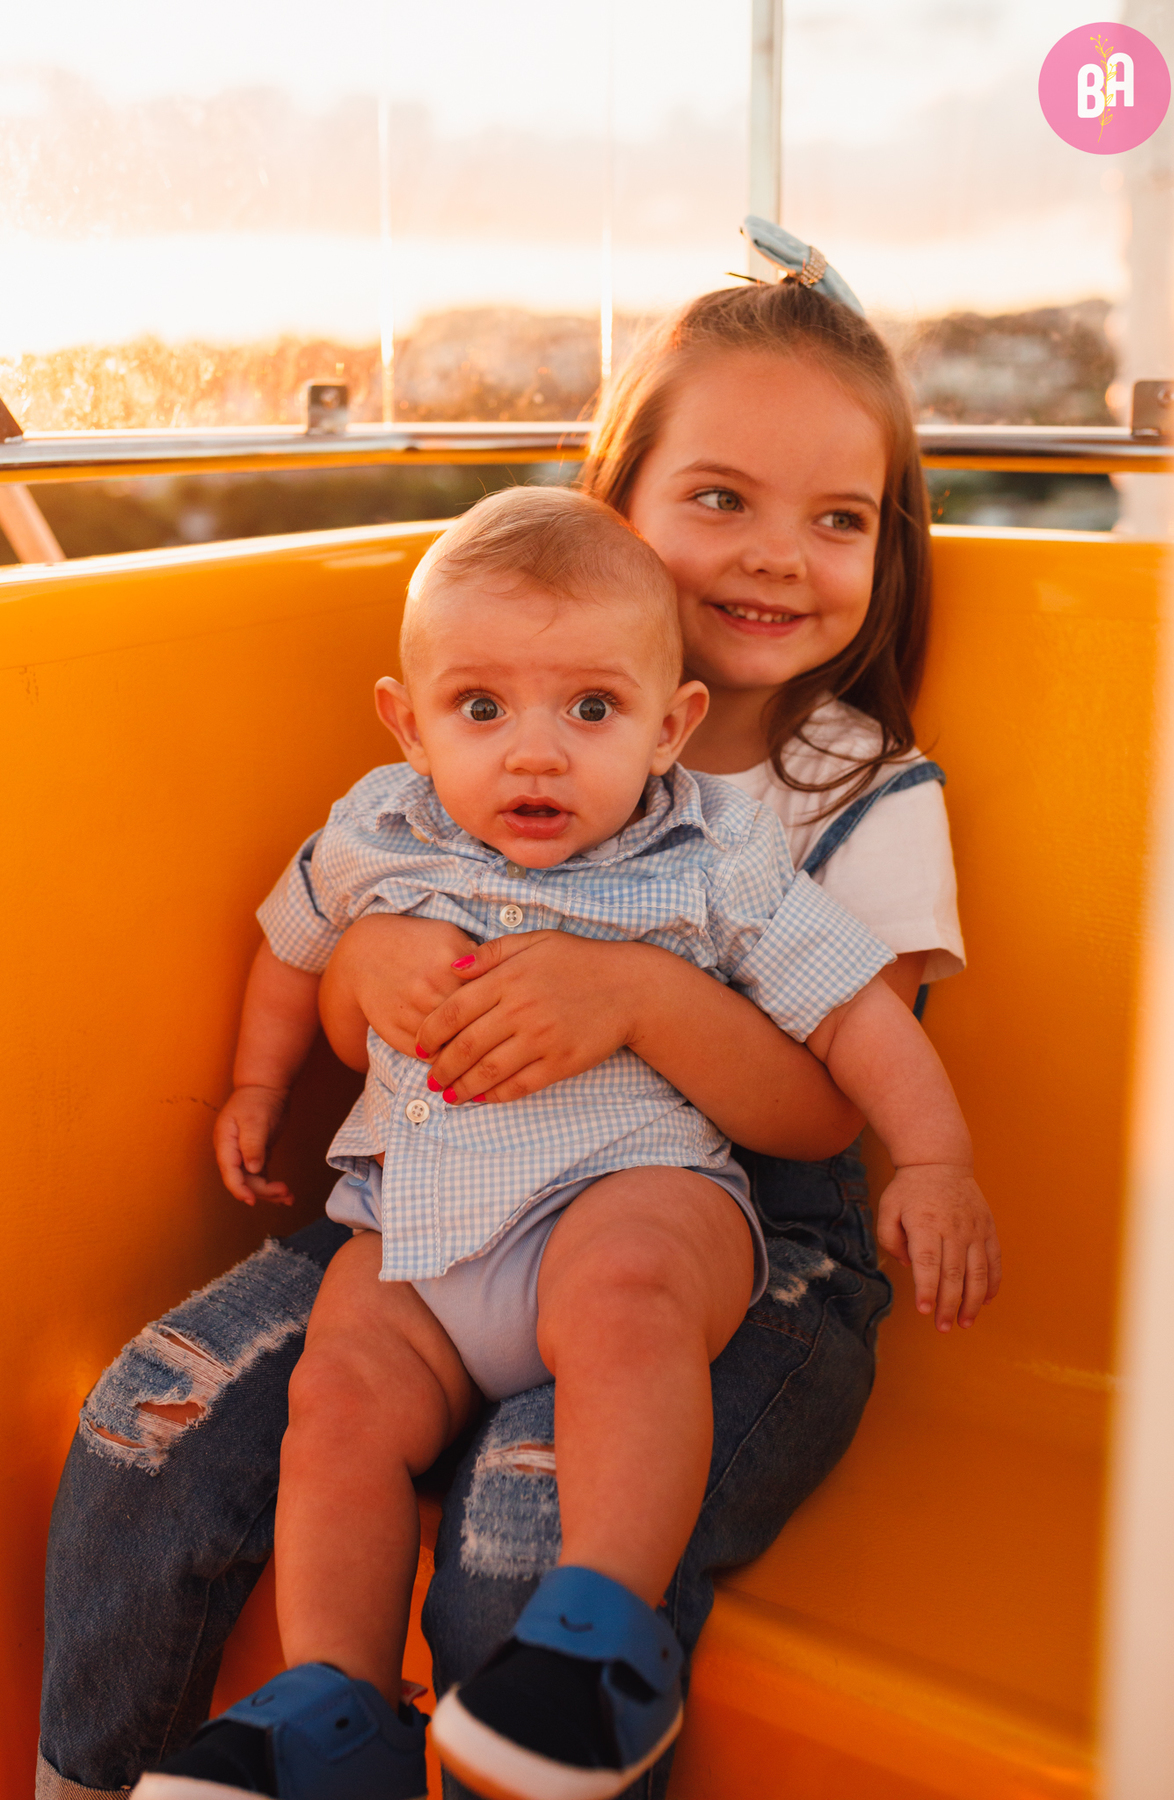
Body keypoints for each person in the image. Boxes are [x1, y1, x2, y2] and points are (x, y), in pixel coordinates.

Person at [38, 230, 986, 1800]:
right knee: (150, 1423)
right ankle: (226, 1751)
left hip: (738, 1216)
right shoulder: (437, 782)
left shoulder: (842, 800)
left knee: (511, 1543)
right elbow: (325, 970)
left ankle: (581, 1687)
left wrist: (635, 997)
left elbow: (830, 1105)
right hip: (428, 1188)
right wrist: (357, 985)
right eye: (720, 499)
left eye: (840, 520)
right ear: (613, 513)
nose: (772, 555)